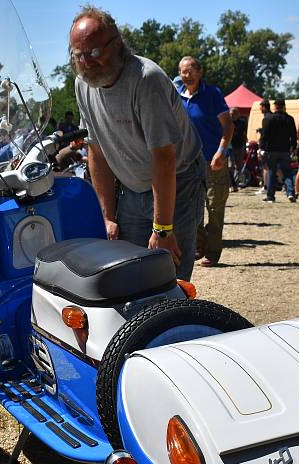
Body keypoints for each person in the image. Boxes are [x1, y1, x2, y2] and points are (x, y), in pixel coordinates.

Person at [70, 6, 204, 281]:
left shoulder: (146, 79)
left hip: (178, 179)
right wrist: (106, 217)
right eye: (79, 55)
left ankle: (174, 321)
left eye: (94, 52)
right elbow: (96, 151)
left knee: (169, 274)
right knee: (130, 271)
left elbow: (164, 159)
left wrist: (163, 229)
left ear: (116, 44)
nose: (87, 62)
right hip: (132, 186)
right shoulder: (82, 84)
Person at [174, 56, 233, 268]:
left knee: (215, 207)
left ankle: (213, 251)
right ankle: (199, 245)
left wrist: (221, 151)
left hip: (213, 160)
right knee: (192, 207)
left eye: (189, 71)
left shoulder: (212, 94)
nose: (185, 75)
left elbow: (228, 126)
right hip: (188, 163)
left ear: (200, 72)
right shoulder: (177, 95)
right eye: (182, 71)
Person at [260, 98, 296, 202]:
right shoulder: (289, 119)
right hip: (285, 149)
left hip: (271, 149)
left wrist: (261, 147)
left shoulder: (269, 118)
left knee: (272, 171)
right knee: (287, 172)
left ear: (275, 106)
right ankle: (290, 192)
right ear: (284, 106)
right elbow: (293, 135)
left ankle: (270, 195)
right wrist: (293, 147)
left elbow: (264, 135)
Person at [229, 107, 247, 190]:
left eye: (234, 114)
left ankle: (235, 183)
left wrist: (244, 145)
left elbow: (244, 134)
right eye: (231, 114)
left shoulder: (242, 123)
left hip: (239, 147)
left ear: (238, 115)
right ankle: (231, 184)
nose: (232, 115)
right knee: (230, 166)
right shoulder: (227, 122)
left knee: (239, 166)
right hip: (230, 147)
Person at [256, 99, 271, 194]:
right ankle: (285, 184)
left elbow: (266, 133)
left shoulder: (266, 118)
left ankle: (265, 187)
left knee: (266, 167)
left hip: (266, 146)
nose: (260, 109)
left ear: (264, 107)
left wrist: (260, 147)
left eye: (261, 107)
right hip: (272, 146)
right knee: (274, 168)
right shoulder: (271, 116)